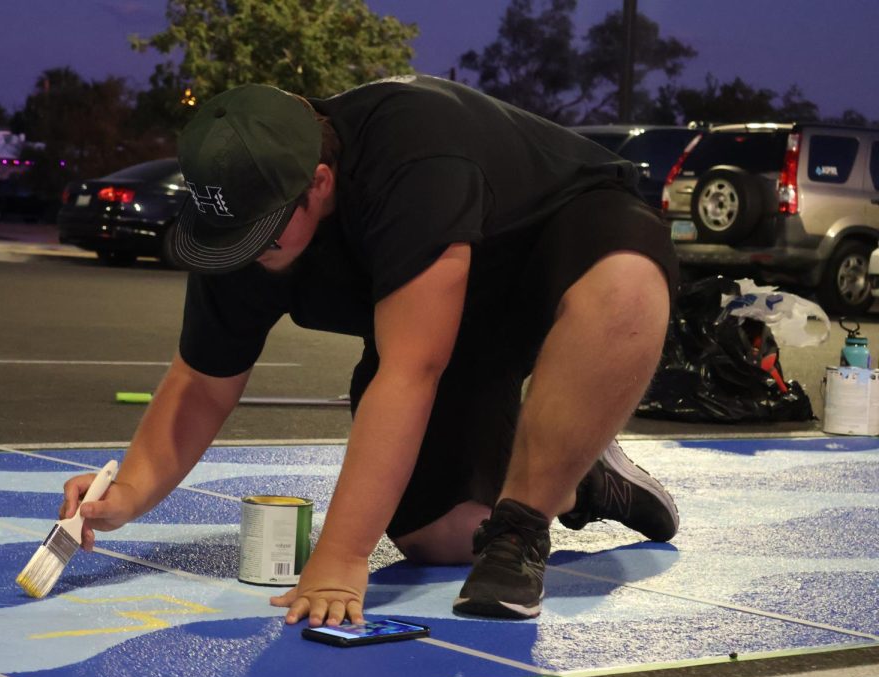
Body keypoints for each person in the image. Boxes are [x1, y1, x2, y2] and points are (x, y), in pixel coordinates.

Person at [61, 75, 680, 626]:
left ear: (320, 183)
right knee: (434, 537)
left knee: (625, 288)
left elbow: (411, 370)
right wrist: (129, 493)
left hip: (557, 248)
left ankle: (530, 512)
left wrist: (341, 557)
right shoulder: (247, 225)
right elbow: (202, 381)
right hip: (452, 315)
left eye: (261, 239)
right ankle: (583, 477)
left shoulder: (413, 156)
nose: (244, 258)